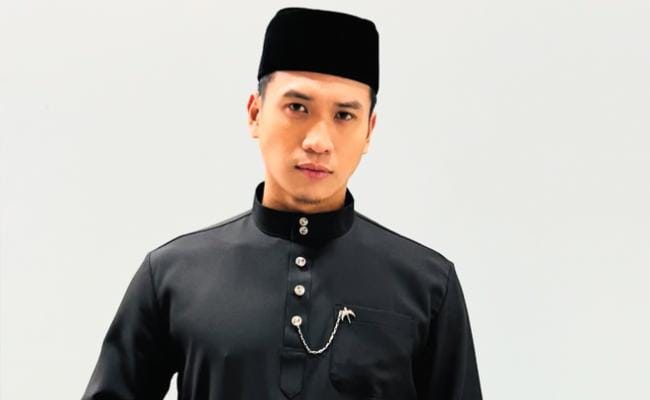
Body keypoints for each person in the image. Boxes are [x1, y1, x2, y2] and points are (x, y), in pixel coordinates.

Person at [81, 6, 483, 400]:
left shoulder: (428, 287)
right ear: (255, 113)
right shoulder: (172, 275)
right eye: (297, 108)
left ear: (369, 131)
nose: (318, 141)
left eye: (344, 115)